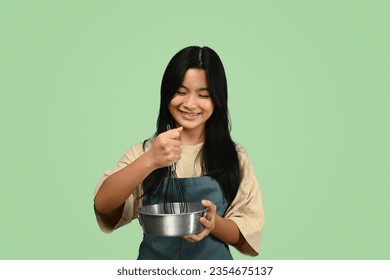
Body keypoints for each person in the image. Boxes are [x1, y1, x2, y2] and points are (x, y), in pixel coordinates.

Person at [94, 46, 264, 259]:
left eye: (203, 95)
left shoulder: (234, 157)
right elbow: (103, 204)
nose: (190, 104)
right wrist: (150, 160)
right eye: (181, 92)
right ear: (167, 94)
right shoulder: (144, 152)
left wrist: (214, 223)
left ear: (217, 100)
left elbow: (245, 232)